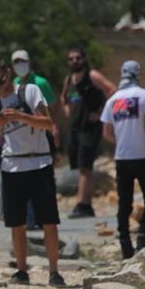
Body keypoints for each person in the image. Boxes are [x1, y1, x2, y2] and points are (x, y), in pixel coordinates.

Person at [0, 60, 65, 287]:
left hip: (39, 163)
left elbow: (47, 123)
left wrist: (19, 116)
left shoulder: (30, 91)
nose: (0, 86)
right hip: (12, 167)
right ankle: (21, 270)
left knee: (49, 220)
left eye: (2, 79)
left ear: (8, 73)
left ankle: (54, 271)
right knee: (16, 223)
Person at [101, 61, 145, 259]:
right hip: (144, 157)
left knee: (125, 203)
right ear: (137, 74)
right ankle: (142, 238)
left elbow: (106, 133)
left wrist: (122, 140)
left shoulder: (112, 100)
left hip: (123, 158)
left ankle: (125, 247)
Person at [60, 47, 116, 219]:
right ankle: (84, 204)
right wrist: (68, 111)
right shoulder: (69, 80)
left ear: (84, 59)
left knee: (86, 167)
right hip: (75, 128)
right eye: (71, 59)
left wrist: (101, 114)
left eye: (78, 58)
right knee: (79, 167)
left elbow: (112, 90)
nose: (74, 61)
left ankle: (83, 205)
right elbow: (63, 98)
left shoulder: (92, 76)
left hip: (89, 128)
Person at [11, 49, 59, 230]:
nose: (19, 65)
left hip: (42, 134)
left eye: (22, 61)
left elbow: (52, 108)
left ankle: (42, 216)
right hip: (22, 138)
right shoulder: (13, 84)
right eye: (16, 62)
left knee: (42, 176)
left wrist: (54, 129)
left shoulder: (41, 83)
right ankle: (30, 218)